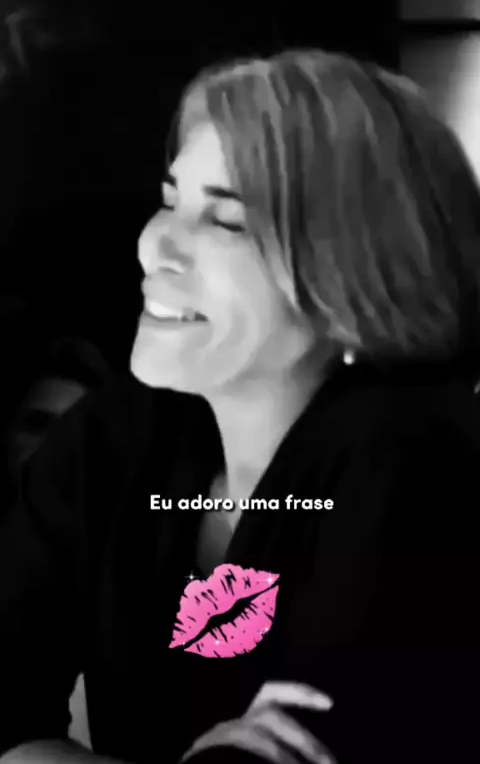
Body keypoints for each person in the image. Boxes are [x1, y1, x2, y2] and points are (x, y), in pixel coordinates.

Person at [1, 48, 479, 764]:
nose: (154, 244)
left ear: (356, 281)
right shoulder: (118, 438)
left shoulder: (420, 456)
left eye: (225, 221)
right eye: (171, 202)